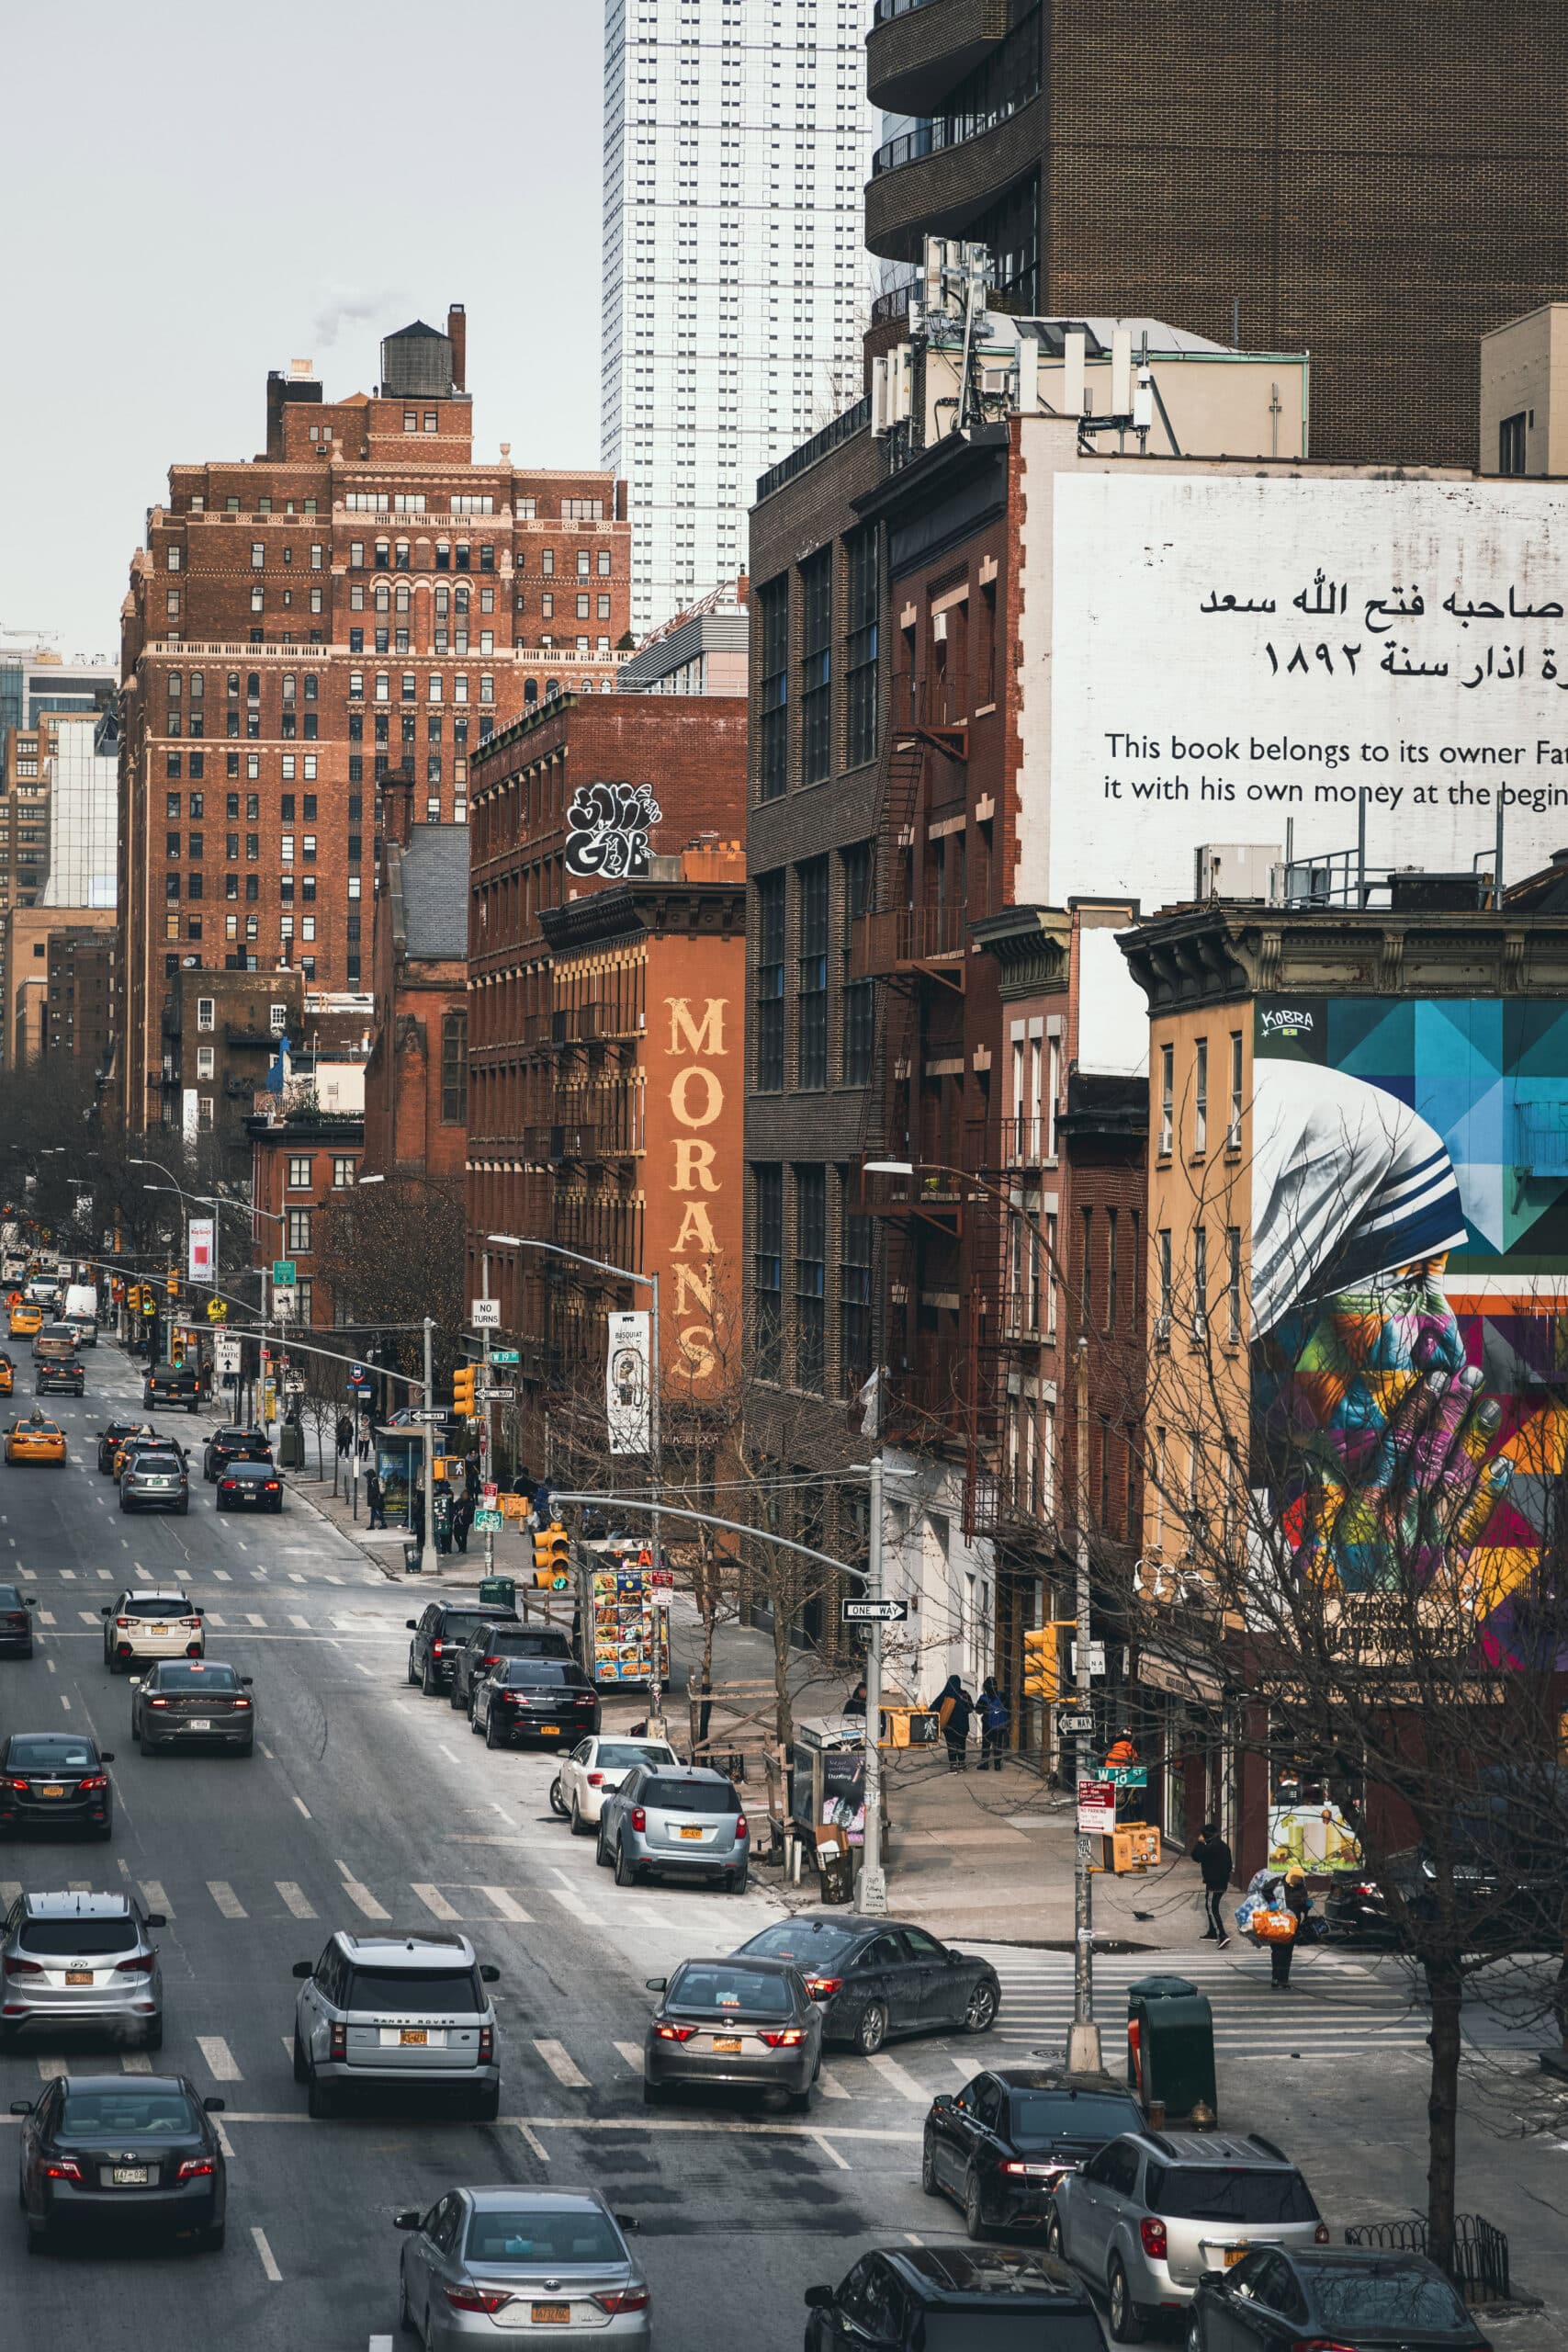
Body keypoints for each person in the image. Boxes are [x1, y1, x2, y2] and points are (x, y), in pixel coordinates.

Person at [1191, 1820, 1234, 1946]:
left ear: (1206, 1835)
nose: (1200, 1836)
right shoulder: (1223, 1846)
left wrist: (1199, 1843)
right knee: (1209, 1904)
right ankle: (1212, 1932)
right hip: (1222, 1881)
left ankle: (1222, 1934)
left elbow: (1195, 1857)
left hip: (1213, 1882)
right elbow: (1229, 1865)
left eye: (1202, 1835)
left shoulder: (1209, 1847)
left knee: (1211, 1908)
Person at [1268, 1863, 1311, 1989]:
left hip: (1292, 1923)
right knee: (1277, 1950)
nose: (1297, 1880)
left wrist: (1307, 1905)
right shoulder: (1278, 1883)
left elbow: (1303, 1906)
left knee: (1287, 1951)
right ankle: (1276, 1978)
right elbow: (1266, 1892)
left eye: (1299, 1878)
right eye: (1296, 1877)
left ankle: (1284, 1979)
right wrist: (1272, 1903)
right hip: (1277, 1921)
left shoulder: (1301, 1887)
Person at [936, 1675, 973, 1772]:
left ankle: (953, 1764)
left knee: (951, 1744)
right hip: (962, 1725)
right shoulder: (965, 1695)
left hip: (949, 1726)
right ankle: (962, 1763)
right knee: (961, 1744)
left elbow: (934, 1707)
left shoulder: (945, 1694)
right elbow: (971, 1708)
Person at [977, 1677, 1010, 1771]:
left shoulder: (983, 1698)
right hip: (1000, 1725)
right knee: (998, 1745)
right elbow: (1008, 1708)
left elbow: (978, 1711)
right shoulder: (1002, 1696)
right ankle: (997, 1765)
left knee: (986, 1745)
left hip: (988, 1725)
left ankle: (985, 1764)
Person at [366, 1466, 388, 1531]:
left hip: (376, 1501)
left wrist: (372, 1496)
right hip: (375, 1501)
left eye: (368, 1475)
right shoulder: (374, 1480)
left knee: (378, 1512)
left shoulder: (374, 1481)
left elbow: (375, 1491)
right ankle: (372, 1525)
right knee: (373, 1513)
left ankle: (383, 1524)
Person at [452, 1490, 473, 1555]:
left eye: (466, 1495)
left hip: (465, 1521)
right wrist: (456, 1513)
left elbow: (472, 1511)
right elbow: (454, 1507)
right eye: (463, 1495)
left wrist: (465, 1513)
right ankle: (461, 1547)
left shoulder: (470, 1502)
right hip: (458, 1520)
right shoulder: (459, 1501)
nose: (464, 1496)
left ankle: (463, 1549)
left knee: (464, 1536)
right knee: (456, 1535)